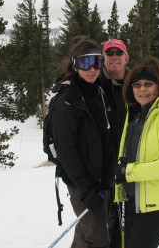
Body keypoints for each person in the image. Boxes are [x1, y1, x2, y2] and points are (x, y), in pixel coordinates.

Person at [114, 56, 159, 248]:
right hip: (131, 200)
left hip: (156, 206)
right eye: (137, 85)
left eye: (148, 84)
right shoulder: (135, 116)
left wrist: (128, 172)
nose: (142, 89)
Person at [51, 35, 114, 248]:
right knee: (97, 238)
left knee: (88, 232)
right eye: (86, 62)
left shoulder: (97, 91)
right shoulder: (67, 100)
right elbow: (65, 149)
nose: (92, 69)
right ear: (75, 64)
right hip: (82, 182)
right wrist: (87, 189)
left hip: (99, 180)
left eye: (97, 62)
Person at [100, 39, 130, 248]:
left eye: (118, 52)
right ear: (103, 60)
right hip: (104, 167)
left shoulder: (137, 84)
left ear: (126, 57)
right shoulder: (96, 85)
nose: (113, 57)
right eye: (109, 54)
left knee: (130, 223)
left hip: (133, 165)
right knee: (102, 227)